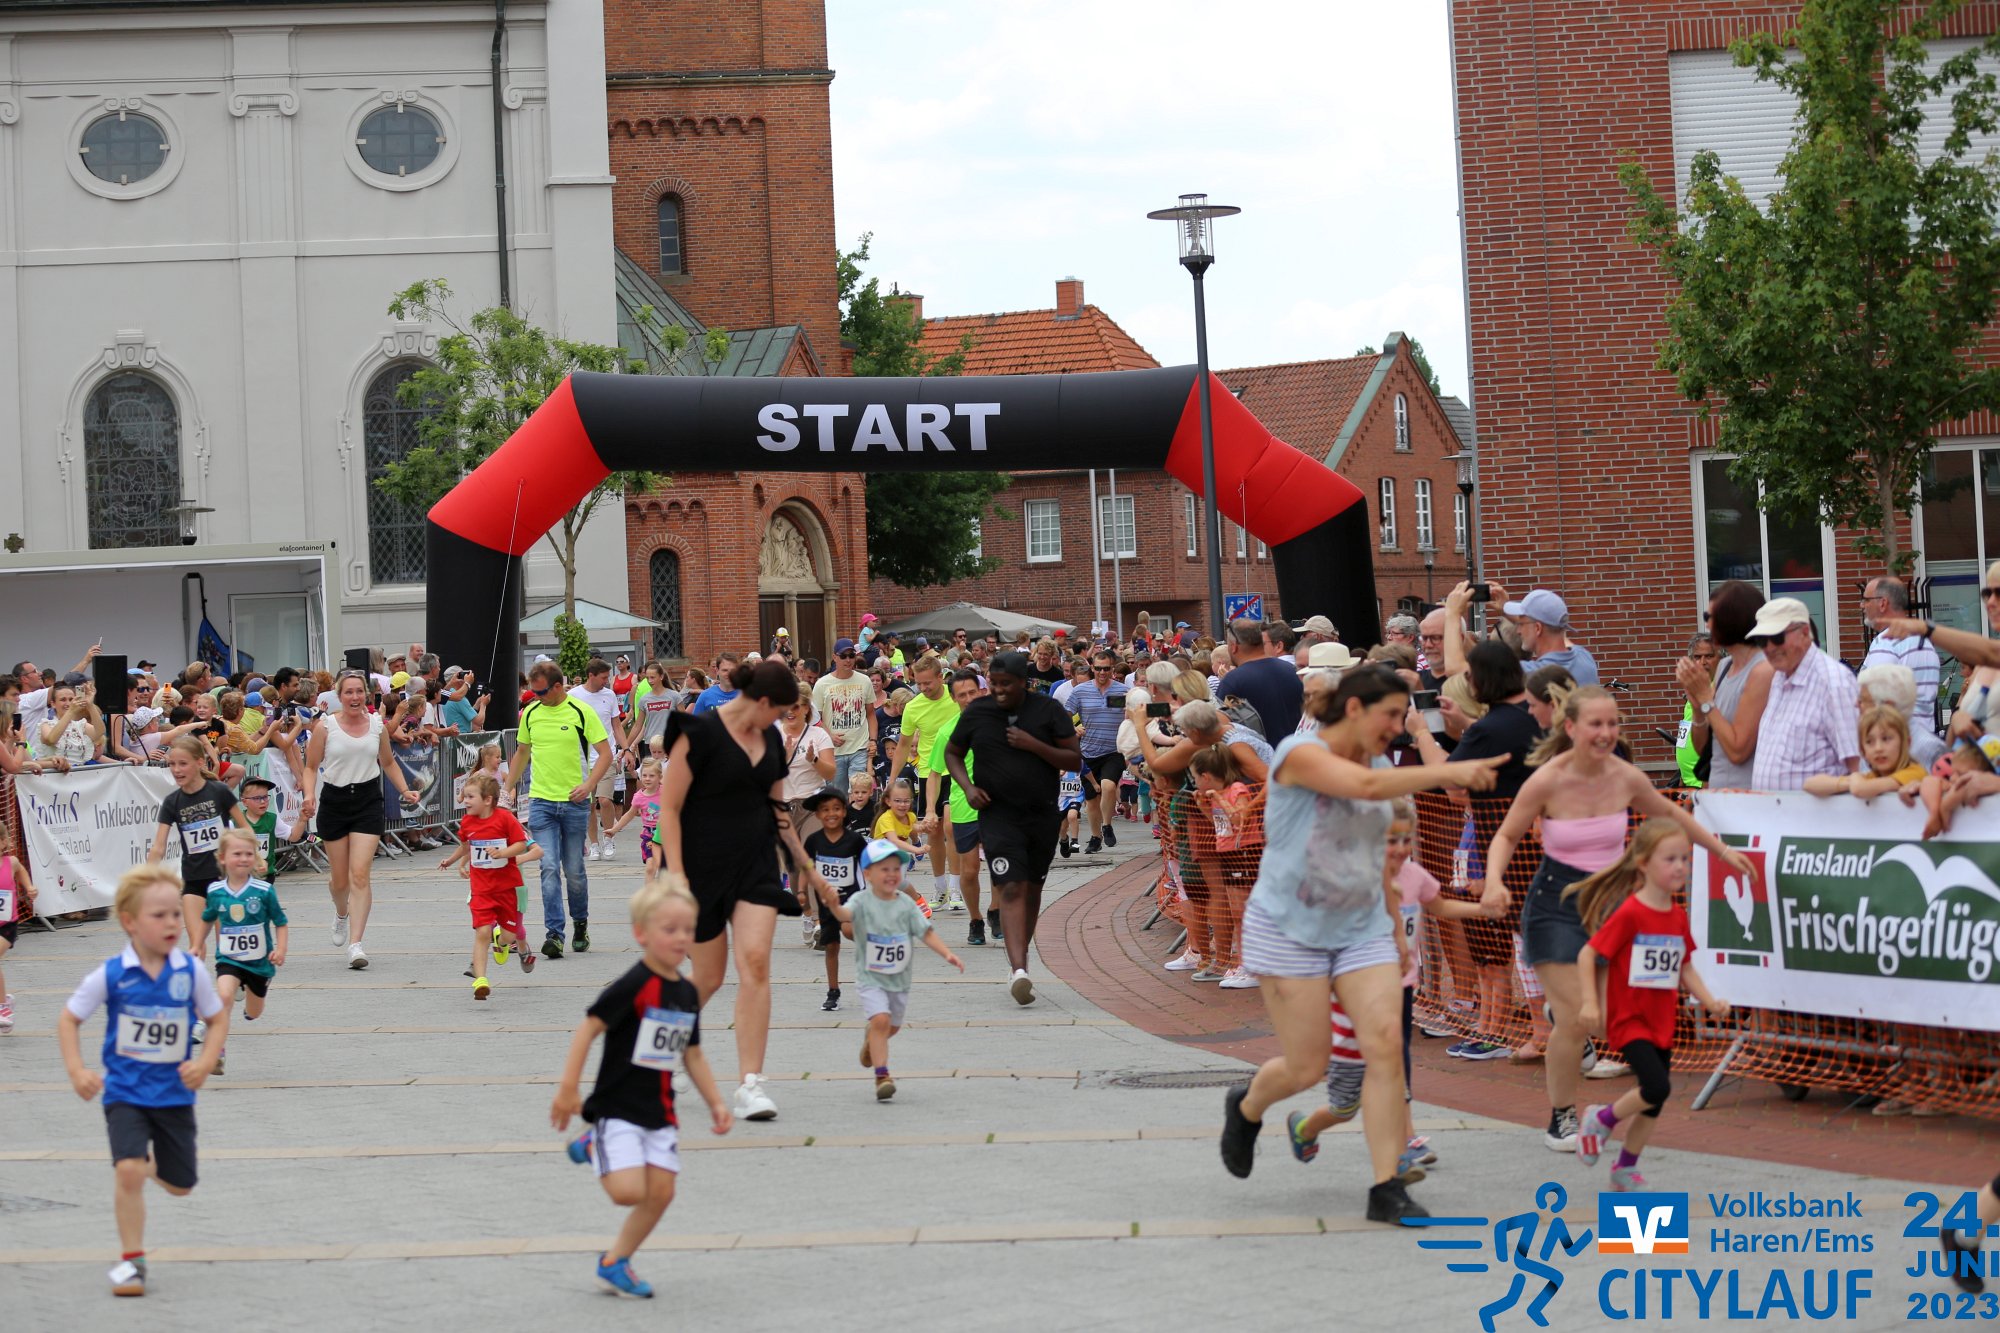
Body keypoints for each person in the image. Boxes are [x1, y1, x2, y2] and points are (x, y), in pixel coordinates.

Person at [1216, 666, 1506, 1223]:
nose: (1398, 728)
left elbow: (1378, 857)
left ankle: (1386, 1185)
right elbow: (1364, 789)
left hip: (1361, 928)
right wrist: (1454, 768)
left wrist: (1395, 927)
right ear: (1354, 709)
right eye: (1391, 716)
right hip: (1290, 927)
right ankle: (1247, 1107)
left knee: (1384, 1045)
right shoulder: (1299, 753)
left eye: (1403, 717)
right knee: (1307, 1066)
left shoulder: (1380, 766)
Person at [1482, 686, 1757, 1154]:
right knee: (1575, 1020)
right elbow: (1506, 835)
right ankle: (1562, 1117)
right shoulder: (1547, 780)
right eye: (1596, 724)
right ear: (1571, 728)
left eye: (1613, 724)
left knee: (1612, 1021)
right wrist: (1493, 881)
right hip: (1555, 907)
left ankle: (1561, 1016)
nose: (1606, 733)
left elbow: (1670, 814)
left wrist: (1723, 850)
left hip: (1610, 908)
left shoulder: (1626, 777)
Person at [654, 660, 832, 1123]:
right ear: (763, 701)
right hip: (699, 867)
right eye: (781, 711)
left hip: (755, 864)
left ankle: (751, 1084)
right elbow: (669, 809)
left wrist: (808, 869)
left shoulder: (770, 737)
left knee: (754, 963)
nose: (784, 721)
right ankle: (663, 1045)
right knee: (709, 976)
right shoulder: (698, 733)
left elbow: (777, 809)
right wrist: (676, 879)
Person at [550, 879, 732, 1299]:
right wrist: (567, 1089)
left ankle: (615, 1262)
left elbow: (692, 1054)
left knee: (662, 1193)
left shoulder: (686, 994)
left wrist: (717, 1103)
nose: (681, 938)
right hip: (617, 1107)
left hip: (659, 1112)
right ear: (642, 933)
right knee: (627, 1193)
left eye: (687, 930)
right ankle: (593, 1143)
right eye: (670, 929)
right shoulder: (634, 983)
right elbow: (589, 1028)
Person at [58, 864, 229, 1298]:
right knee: (128, 1172)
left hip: (174, 1096)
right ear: (130, 922)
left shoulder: (189, 972)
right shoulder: (113, 973)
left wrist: (206, 1061)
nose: (172, 923)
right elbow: (69, 1018)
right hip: (125, 1093)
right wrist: (77, 1070)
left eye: (175, 914)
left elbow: (216, 1018)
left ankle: (148, 1165)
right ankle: (132, 1263)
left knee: (181, 1187)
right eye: (159, 915)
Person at [1571, 818, 1729, 1191]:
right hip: (1630, 1018)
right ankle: (1601, 1119)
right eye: (1669, 859)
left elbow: (1684, 966)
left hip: (1661, 1020)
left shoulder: (1677, 916)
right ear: (1643, 864)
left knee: (1652, 1100)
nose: (1680, 867)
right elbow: (1588, 954)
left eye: (1684, 859)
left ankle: (1625, 1168)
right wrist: (1591, 1003)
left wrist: (1710, 1001)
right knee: (1657, 1087)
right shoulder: (1630, 913)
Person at [942, 652, 1080, 1004]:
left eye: (1007, 684)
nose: (1000, 690)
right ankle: (1019, 970)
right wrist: (968, 787)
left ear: (1024, 682)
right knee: (1011, 886)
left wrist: (1034, 745)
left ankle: (1021, 958)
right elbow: (952, 753)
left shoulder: (1048, 710)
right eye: (995, 683)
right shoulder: (978, 712)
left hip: (1041, 814)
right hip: (997, 815)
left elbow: (1074, 758)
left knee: (1032, 889)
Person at [820, 837, 965, 1099]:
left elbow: (925, 932)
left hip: (899, 980)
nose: (891, 874)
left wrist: (947, 953)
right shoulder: (861, 901)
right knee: (881, 1020)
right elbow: (844, 916)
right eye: (884, 869)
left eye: (896, 869)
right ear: (868, 874)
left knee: (892, 1027)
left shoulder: (905, 904)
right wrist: (832, 904)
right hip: (870, 978)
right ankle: (882, 1076)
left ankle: (871, 1041)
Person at [299, 671, 423, 969]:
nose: (354, 697)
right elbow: (311, 767)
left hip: (367, 801)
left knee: (360, 875)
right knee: (339, 880)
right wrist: (309, 795)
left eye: (359, 692)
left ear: (366, 695)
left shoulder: (377, 726)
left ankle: (356, 944)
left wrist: (405, 790)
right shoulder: (325, 726)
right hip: (334, 802)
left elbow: (388, 762)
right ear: (339, 696)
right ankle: (341, 913)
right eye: (348, 692)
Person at [511, 660, 614, 959]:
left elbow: (605, 754)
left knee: (574, 871)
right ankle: (554, 934)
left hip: (574, 802)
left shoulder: (581, 711)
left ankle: (580, 923)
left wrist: (589, 784)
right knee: (548, 867)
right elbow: (522, 753)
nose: (536, 697)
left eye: (542, 692)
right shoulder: (531, 713)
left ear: (558, 686)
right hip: (541, 801)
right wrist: (506, 790)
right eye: (533, 692)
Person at [189, 829, 288, 1073]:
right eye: (237, 854)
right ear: (222, 858)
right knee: (223, 997)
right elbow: (207, 918)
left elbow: (281, 922)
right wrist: (197, 944)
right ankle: (217, 1051)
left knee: (254, 1012)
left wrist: (280, 950)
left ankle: (249, 1001)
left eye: (248, 854)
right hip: (229, 959)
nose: (243, 858)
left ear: (255, 857)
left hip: (259, 963)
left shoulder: (264, 891)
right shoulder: (215, 891)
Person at [147, 736, 256, 946]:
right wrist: (146, 879)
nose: (176, 770)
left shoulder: (218, 791)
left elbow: (245, 828)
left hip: (224, 878)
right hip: (193, 878)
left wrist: (254, 858)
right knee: (195, 944)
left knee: (226, 942)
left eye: (183, 764)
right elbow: (158, 847)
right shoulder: (172, 802)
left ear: (199, 762)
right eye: (172, 764)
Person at [1743, 598, 1860, 789]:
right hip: (1774, 807)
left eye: (1777, 638)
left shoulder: (1834, 684)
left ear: (1805, 632)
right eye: (1762, 641)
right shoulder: (1780, 677)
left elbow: (1859, 766)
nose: (1769, 647)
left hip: (1816, 808)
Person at [438, 772, 537, 999]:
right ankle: (481, 980)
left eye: (470, 797)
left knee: (510, 936)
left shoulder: (505, 819)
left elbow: (520, 844)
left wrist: (503, 853)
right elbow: (466, 846)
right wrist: (451, 861)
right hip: (481, 889)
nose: (465, 801)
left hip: (506, 888)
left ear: (487, 800)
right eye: (465, 796)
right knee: (482, 932)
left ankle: (500, 941)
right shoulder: (467, 822)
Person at [1676, 580, 1772, 791]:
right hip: (1719, 797)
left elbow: (1738, 752)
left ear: (1733, 619)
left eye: (1710, 617)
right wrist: (1698, 708)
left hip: (1748, 799)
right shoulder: (1724, 667)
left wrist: (1706, 699)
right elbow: (1704, 749)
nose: (1707, 625)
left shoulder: (1762, 671)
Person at [890, 656, 963, 900]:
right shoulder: (913, 707)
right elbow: (903, 745)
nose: (922, 688)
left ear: (941, 677)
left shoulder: (955, 699)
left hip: (957, 769)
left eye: (927, 683)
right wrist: (892, 780)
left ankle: (955, 888)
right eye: (918, 683)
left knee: (951, 827)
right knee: (934, 831)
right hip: (929, 773)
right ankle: (940, 887)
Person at [928, 670, 989, 941]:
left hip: (998, 807)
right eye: (962, 695)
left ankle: (995, 911)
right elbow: (934, 774)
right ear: (954, 698)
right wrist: (930, 810)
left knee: (1001, 865)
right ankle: (976, 919)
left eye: (972, 692)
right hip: (964, 807)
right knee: (970, 870)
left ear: (982, 692)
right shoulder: (947, 732)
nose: (968, 698)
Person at [802, 786, 868, 1010]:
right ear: (818, 814)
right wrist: (802, 893)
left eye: (836, 808)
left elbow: (868, 865)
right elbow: (806, 868)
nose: (831, 813)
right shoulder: (813, 841)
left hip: (851, 898)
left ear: (844, 811)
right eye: (825, 809)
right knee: (831, 946)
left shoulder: (855, 840)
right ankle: (833, 991)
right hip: (826, 903)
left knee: (849, 930)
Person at [1068, 649, 1129, 853]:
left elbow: (1137, 712)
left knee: (1108, 786)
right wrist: (1073, 727)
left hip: (1113, 750)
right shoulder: (1080, 691)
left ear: (1113, 669)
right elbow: (1064, 714)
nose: (1102, 672)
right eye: (1098, 668)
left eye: (1106, 669)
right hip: (1088, 752)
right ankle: (1095, 837)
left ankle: (1107, 825)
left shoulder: (1122, 691)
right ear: (1092, 668)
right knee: (1091, 800)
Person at [1860, 576, 1940, 726]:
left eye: (1866, 600)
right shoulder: (1925, 642)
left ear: (1882, 603)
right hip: (1924, 733)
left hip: (1894, 735)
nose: (1862, 605)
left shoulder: (1886, 641)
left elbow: (1873, 698)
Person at [1804, 705, 1925, 800]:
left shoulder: (1914, 773)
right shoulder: (1871, 777)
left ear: (1906, 742)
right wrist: (1849, 782)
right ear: (1862, 751)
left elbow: (1860, 789)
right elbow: (1809, 784)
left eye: (1886, 739)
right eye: (1869, 742)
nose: (1878, 748)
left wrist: (1855, 778)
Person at [570, 660, 626, 862]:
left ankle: (608, 837)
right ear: (591, 675)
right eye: (603, 677)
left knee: (605, 800)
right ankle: (593, 843)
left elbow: (616, 725)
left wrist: (626, 748)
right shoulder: (573, 696)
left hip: (606, 755)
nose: (606, 681)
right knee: (588, 804)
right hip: (583, 758)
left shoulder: (609, 695)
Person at [1491, 586, 1599, 685]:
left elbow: (1484, 669)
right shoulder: (1584, 657)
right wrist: (1504, 610)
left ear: (1538, 628)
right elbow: (1556, 629)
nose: (1518, 631)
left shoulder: (1533, 674)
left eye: (1521, 624)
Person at [1220, 617, 1305, 740]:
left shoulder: (1233, 681)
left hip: (1255, 751)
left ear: (1233, 647)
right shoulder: (1293, 671)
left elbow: (1219, 725)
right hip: (1296, 748)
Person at [812, 637, 877, 791]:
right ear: (835, 657)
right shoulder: (821, 684)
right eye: (843, 656)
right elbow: (815, 719)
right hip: (833, 751)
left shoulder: (865, 680)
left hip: (860, 748)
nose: (848, 660)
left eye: (851, 655)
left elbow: (870, 714)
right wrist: (829, 735)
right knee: (838, 795)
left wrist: (873, 740)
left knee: (858, 794)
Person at [1857, 663, 1947, 771]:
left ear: (1888, 706)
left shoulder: (1931, 749)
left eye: (1863, 700)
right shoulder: (1870, 736)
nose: (1857, 705)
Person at [0, 824, 37, 1032]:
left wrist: (29, 887)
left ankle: (3, 1008)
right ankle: (5, 1000)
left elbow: (21, 870)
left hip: (7, 925)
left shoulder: (11, 862)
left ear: (3, 842)